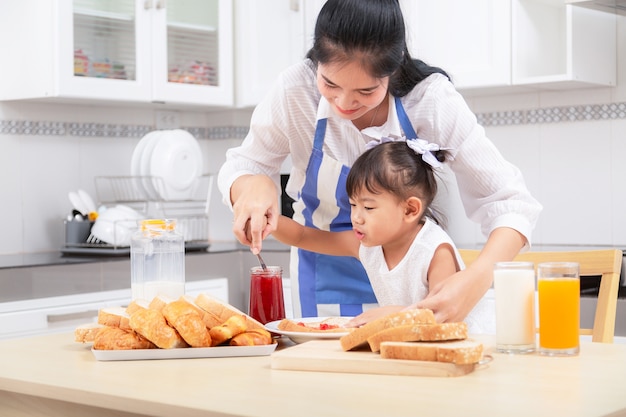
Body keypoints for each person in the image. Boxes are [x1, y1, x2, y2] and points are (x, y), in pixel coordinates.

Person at [218, 0, 542, 321]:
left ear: (393, 68)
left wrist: (477, 278)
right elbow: (245, 166)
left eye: (366, 90)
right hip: (321, 277)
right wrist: (253, 188)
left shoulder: (430, 100)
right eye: (329, 83)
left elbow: (511, 204)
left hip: (411, 282)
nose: (344, 103)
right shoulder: (296, 89)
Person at [270, 139, 494, 333]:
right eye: (353, 205)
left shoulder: (434, 251)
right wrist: (268, 220)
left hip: (470, 345)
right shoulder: (369, 245)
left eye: (368, 208)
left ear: (410, 210)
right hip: (418, 344)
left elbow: (440, 317)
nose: (356, 217)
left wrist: (391, 315)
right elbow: (302, 237)